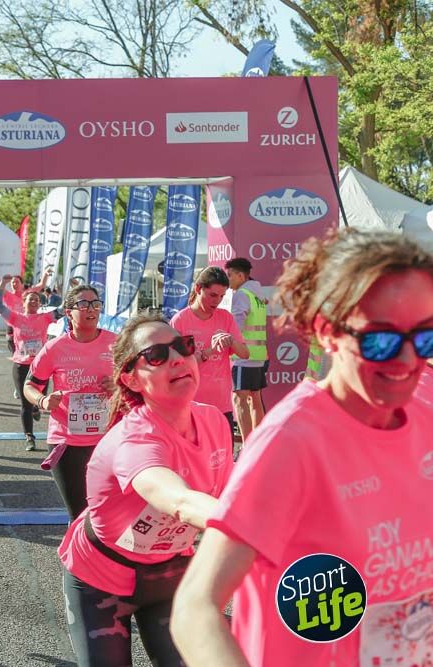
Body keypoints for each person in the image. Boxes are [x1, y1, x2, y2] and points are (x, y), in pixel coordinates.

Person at [171, 229, 433, 667]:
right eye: (380, 340)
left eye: (424, 337)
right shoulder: (293, 441)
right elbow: (195, 608)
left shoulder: (425, 400)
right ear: (327, 332)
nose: (406, 360)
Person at [60, 314, 234, 666]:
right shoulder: (134, 439)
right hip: (100, 581)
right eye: (156, 355)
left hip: (170, 571)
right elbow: (178, 499)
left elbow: (233, 493)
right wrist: (247, 528)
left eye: (182, 346)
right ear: (131, 378)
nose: (177, 359)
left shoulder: (214, 421)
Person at [24, 285, 117, 519]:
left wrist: (119, 387)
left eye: (96, 304)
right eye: (83, 304)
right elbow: (30, 386)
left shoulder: (117, 344)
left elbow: (138, 381)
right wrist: (43, 400)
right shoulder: (55, 348)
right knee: (78, 514)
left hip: (108, 440)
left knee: (106, 513)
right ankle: (75, 555)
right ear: (68, 312)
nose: (91, 309)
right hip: (66, 440)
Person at [169, 267, 249, 439]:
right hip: (190, 406)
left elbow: (244, 354)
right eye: (213, 295)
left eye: (222, 296)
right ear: (198, 289)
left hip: (221, 407)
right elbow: (177, 366)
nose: (217, 301)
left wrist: (231, 340)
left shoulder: (225, 318)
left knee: (222, 462)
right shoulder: (181, 321)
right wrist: (207, 352)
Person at [0, 271, 61, 451]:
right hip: (21, 365)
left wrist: (74, 289)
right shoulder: (15, 317)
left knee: (40, 400)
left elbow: (64, 309)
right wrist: (2, 284)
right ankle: (29, 436)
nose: (34, 302)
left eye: (37, 300)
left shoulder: (45, 317)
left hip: (41, 367)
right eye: (31, 300)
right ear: (24, 302)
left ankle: (36, 407)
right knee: (25, 404)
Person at [224, 258, 270, 447]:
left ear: (241, 275)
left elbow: (237, 325)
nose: (228, 280)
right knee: (255, 398)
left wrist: (229, 343)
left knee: (240, 398)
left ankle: (247, 446)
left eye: (230, 275)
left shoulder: (242, 294)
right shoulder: (257, 294)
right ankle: (257, 444)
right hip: (259, 355)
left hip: (244, 355)